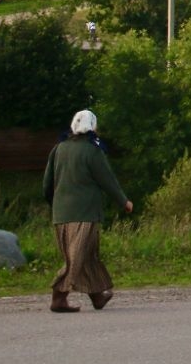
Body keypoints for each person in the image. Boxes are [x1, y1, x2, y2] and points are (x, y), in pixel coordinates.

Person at [42, 109, 132, 313]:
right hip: (84, 214)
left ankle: (98, 296)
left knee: (87, 255)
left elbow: (47, 184)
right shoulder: (92, 151)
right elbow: (107, 179)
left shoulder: (58, 148)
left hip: (61, 214)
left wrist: (56, 205)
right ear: (92, 127)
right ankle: (58, 297)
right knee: (76, 258)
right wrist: (124, 201)